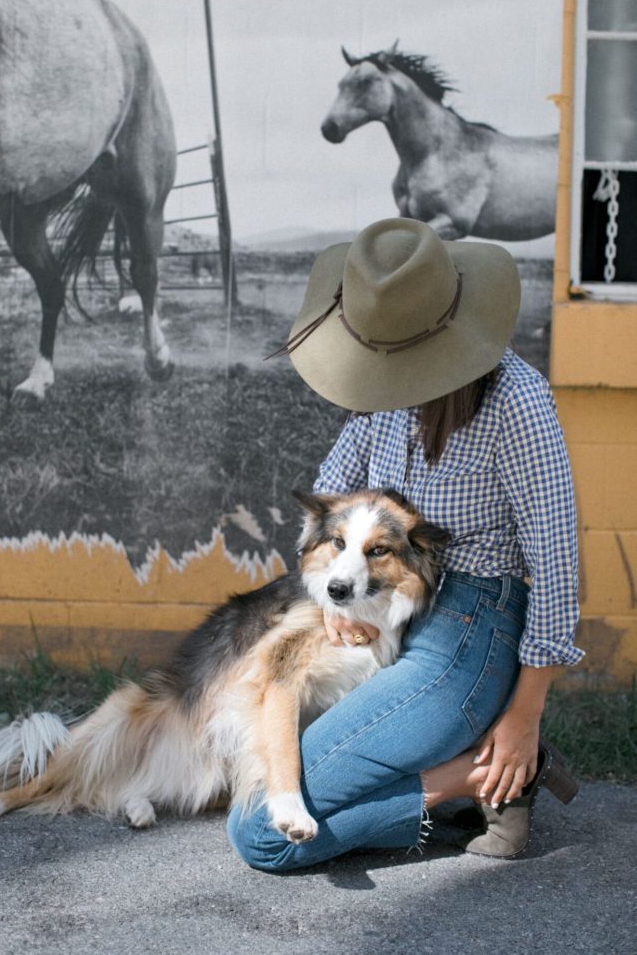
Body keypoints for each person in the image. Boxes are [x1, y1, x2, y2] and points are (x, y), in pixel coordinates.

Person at [227, 217, 583, 871]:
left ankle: (476, 777)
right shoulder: (386, 388)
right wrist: (336, 599)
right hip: (390, 612)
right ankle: (460, 783)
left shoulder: (517, 404)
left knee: (261, 832)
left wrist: (526, 714)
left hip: (470, 630)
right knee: (274, 773)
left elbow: (558, 568)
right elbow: (334, 490)